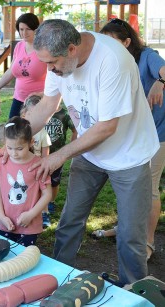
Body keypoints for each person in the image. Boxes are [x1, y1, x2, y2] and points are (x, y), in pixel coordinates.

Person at [26, 19, 159, 285]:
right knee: (69, 221)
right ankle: (58, 280)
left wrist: (60, 154)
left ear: (72, 49)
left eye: (53, 63)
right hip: (88, 151)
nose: (49, 70)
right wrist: (14, 140)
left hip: (128, 155)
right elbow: (48, 104)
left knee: (131, 234)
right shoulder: (58, 60)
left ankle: (133, 293)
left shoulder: (112, 60)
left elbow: (107, 127)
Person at [99, 18, 165, 261]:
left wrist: (161, 82)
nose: (107, 46)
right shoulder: (109, 61)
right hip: (128, 134)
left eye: (112, 41)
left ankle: (147, 241)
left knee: (150, 189)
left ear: (127, 42)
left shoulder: (147, 56)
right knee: (127, 184)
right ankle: (124, 228)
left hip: (157, 134)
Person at [0, 117, 52, 247]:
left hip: (29, 226)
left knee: (25, 259)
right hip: (6, 223)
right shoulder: (2, 163)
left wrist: (31, 214)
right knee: (6, 258)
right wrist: (1, 216)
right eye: (9, 148)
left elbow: (48, 194)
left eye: (19, 148)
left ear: (31, 142)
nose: (14, 153)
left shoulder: (39, 165)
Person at [0, 13, 47, 118]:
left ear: (36, 29)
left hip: (38, 101)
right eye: (21, 29)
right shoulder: (19, 46)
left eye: (28, 29)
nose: (24, 33)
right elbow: (11, 71)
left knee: (33, 133)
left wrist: (44, 94)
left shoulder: (45, 48)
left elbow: (54, 76)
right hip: (18, 99)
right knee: (12, 130)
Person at [20, 94, 52, 228]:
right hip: (22, 166)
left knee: (40, 192)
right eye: (30, 113)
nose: (33, 117)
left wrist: (44, 168)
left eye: (37, 114)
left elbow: (45, 154)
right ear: (24, 113)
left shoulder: (43, 133)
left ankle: (44, 213)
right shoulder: (19, 131)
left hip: (37, 167)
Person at [44, 101, 77, 215]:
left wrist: (72, 146)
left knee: (54, 180)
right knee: (42, 179)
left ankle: (51, 202)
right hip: (42, 154)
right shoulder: (43, 112)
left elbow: (75, 129)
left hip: (57, 155)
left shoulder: (65, 114)